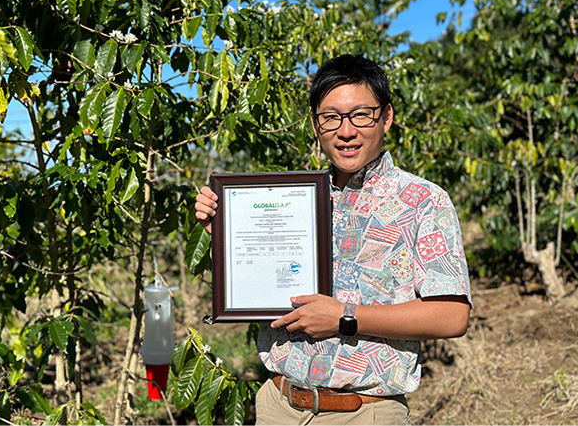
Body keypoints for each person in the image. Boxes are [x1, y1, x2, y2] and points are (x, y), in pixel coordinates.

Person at [195, 54, 471, 425]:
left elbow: (452, 316)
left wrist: (345, 317)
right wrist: (230, 235)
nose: (346, 131)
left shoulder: (421, 201)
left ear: (386, 117)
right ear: (315, 125)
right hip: (278, 405)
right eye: (331, 118)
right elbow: (264, 287)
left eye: (361, 114)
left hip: (364, 413)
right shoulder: (294, 198)